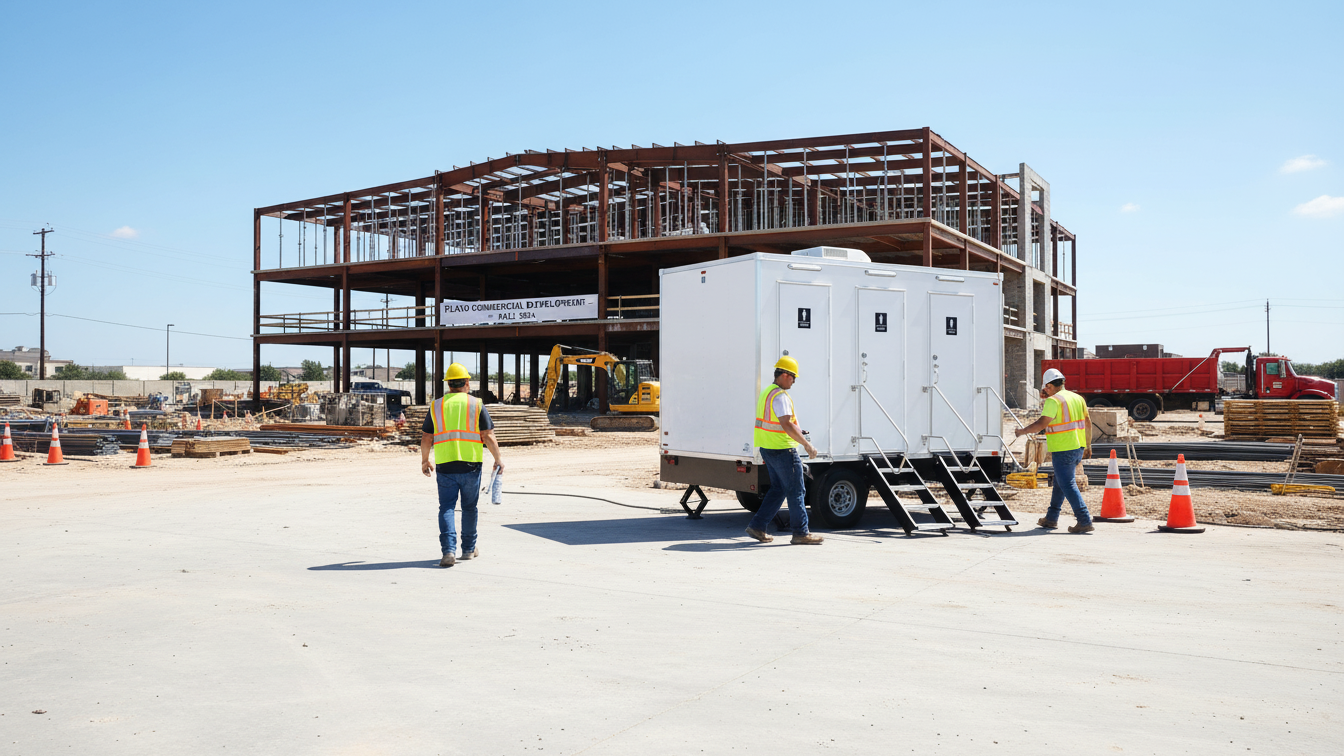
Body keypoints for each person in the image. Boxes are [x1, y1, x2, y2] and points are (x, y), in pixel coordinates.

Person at [421, 363, 504, 567]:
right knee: (469, 508)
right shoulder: (476, 404)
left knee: (447, 507)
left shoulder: (436, 405)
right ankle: (468, 549)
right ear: (467, 382)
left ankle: (448, 551)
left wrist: (424, 460)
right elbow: (488, 436)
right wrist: (498, 459)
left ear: (448, 384)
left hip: (445, 465)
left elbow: (426, 437)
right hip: (470, 465)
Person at [745, 356, 824, 545]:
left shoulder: (768, 392)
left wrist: (797, 430)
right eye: (793, 377)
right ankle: (800, 533)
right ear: (785, 375)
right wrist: (806, 444)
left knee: (779, 489)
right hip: (783, 450)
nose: (794, 381)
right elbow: (786, 424)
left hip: (768, 448)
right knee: (796, 490)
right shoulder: (780, 396)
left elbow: (780, 424)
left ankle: (757, 526)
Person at [1015, 367, 1094, 533]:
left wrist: (1022, 431)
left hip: (1063, 448)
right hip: (1078, 447)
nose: (1046, 392)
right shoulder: (1078, 398)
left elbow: (1041, 424)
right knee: (1060, 482)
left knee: (1067, 483)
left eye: (1046, 388)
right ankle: (1051, 518)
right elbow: (1087, 422)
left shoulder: (1054, 401)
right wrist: (1088, 445)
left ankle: (1084, 519)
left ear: (1049, 386)